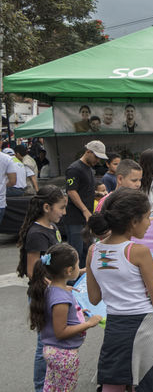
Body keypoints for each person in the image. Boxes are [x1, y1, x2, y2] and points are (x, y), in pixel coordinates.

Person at [86, 189, 153, 391]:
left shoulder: (93, 251)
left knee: (116, 382)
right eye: (147, 218)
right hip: (144, 328)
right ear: (133, 221)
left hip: (115, 329)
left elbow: (94, 298)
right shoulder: (138, 252)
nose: (149, 223)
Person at [28, 243, 102, 392]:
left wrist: (79, 311)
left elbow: (62, 315)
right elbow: (61, 332)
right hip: (63, 355)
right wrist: (89, 324)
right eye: (77, 264)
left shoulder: (52, 289)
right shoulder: (60, 298)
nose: (78, 266)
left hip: (54, 352)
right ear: (69, 271)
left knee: (51, 388)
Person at [16, 186, 67, 391]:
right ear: (46, 207)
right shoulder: (36, 233)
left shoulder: (52, 227)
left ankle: (50, 383)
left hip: (52, 291)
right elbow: (32, 271)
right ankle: (40, 386)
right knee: (44, 345)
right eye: (61, 207)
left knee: (51, 343)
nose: (64, 212)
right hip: (42, 295)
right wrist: (56, 287)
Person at [64, 141, 107, 267]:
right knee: (75, 253)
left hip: (86, 218)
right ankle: (72, 282)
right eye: (96, 156)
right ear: (88, 151)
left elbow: (82, 189)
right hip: (75, 218)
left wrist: (97, 194)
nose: (97, 160)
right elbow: (71, 191)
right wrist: (84, 210)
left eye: (100, 158)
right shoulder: (74, 169)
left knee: (87, 251)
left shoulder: (89, 169)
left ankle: (83, 278)